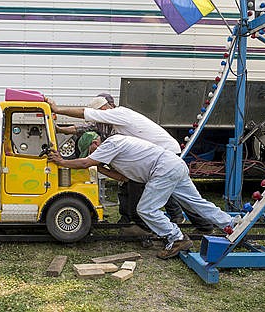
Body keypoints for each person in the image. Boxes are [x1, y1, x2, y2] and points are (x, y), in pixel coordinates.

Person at [47, 132, 237, 259]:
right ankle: (230, 225)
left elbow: (84, 164)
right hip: (173, 165)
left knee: (146, 209)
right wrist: (98, 166)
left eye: (90, 151)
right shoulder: (115, 150)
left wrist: (62, 162)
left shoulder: (111, 143)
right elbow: (122, 177)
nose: (93, 155)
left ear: (95, 143)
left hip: (162, 169)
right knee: (196, 203)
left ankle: (177, 238)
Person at [46, 95, 214, 233]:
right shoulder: (113, 123)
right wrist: (60, 129)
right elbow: (83, 128)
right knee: (140, 187)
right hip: (156, 156)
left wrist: (58, 109)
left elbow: (85, 114)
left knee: (164, 191)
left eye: (98, 115)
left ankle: (152, 225)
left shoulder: (118, 113)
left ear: (104, 110)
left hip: (164, 154)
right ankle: (134, 221)